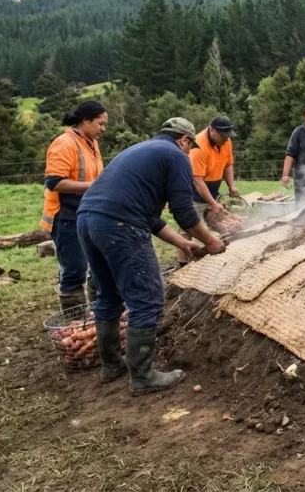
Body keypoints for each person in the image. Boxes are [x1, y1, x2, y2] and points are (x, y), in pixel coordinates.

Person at [77, 118, 226, 392]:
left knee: (108, 294)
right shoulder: (176, 157)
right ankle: (143, 377)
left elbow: (150, 219)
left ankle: (111, 365)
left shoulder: (143, 151)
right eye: (189, 146)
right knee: (147, 298)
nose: (189, 151)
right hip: (120, 225)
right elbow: (184, 211)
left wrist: (184, 242)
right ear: (184, 140)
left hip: (87, 220)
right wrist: (209, 240)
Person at [41, 100, 107, 313]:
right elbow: (54, 182)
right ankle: (75, 319)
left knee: (98, 264)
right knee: (74, 269)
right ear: (85, 120)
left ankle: (101, 312)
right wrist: (94, 186)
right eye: (100, 124)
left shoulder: (90, 142)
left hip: (87, 212)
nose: (103, 129)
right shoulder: (65, 143)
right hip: (66, 216)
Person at [176, 115, 239, 268]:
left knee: (215, 225)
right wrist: (213, 203)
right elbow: (197, 181)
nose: (226, 140)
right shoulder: (198, 147)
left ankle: (205, 260)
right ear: (212, 131)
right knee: (191, 228)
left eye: (228, 136)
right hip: (193, 192)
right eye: (223, 136)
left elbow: (228, 164)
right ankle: (184, 264)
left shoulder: (226, 141)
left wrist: (231, 186)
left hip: (212, 188)